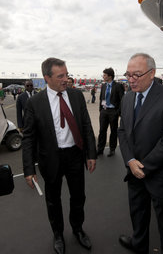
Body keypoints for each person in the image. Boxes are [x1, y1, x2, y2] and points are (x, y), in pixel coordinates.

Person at [22, 58, 96, 254]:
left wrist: (91, 153)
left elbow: (87, 126)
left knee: (78, 196)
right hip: (51, 159)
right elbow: (28, 138)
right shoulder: (34, 103)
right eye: (60, 76)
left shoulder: (77, 96)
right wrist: (29, 169)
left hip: (74, 155)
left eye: (66, 74)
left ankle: (78, 229)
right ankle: (58, 234)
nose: (66, 79)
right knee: (53, 200)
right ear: (47, 78)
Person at [118, 53, 163, 254]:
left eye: (136, 74)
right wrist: (131, 161)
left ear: (152, 73)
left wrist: (144, 167)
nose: (131, 79)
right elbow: (123, 131)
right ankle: (138, 244)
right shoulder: (128, 96)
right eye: (128, 74)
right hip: (134, 171)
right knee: (138, 214)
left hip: (162, 175)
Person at [97, 67, 124, 156]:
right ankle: (100, 149)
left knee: (113, 131)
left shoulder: (118, 86)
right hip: (104, 111)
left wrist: (118, 112)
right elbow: (101, 98)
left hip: (113, 112)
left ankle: (112, 149)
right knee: (102, 131)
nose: (103, 76)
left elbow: (122, 100)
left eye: (104, 75)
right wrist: (101, 110)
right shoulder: (104, 85)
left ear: (110, 76)